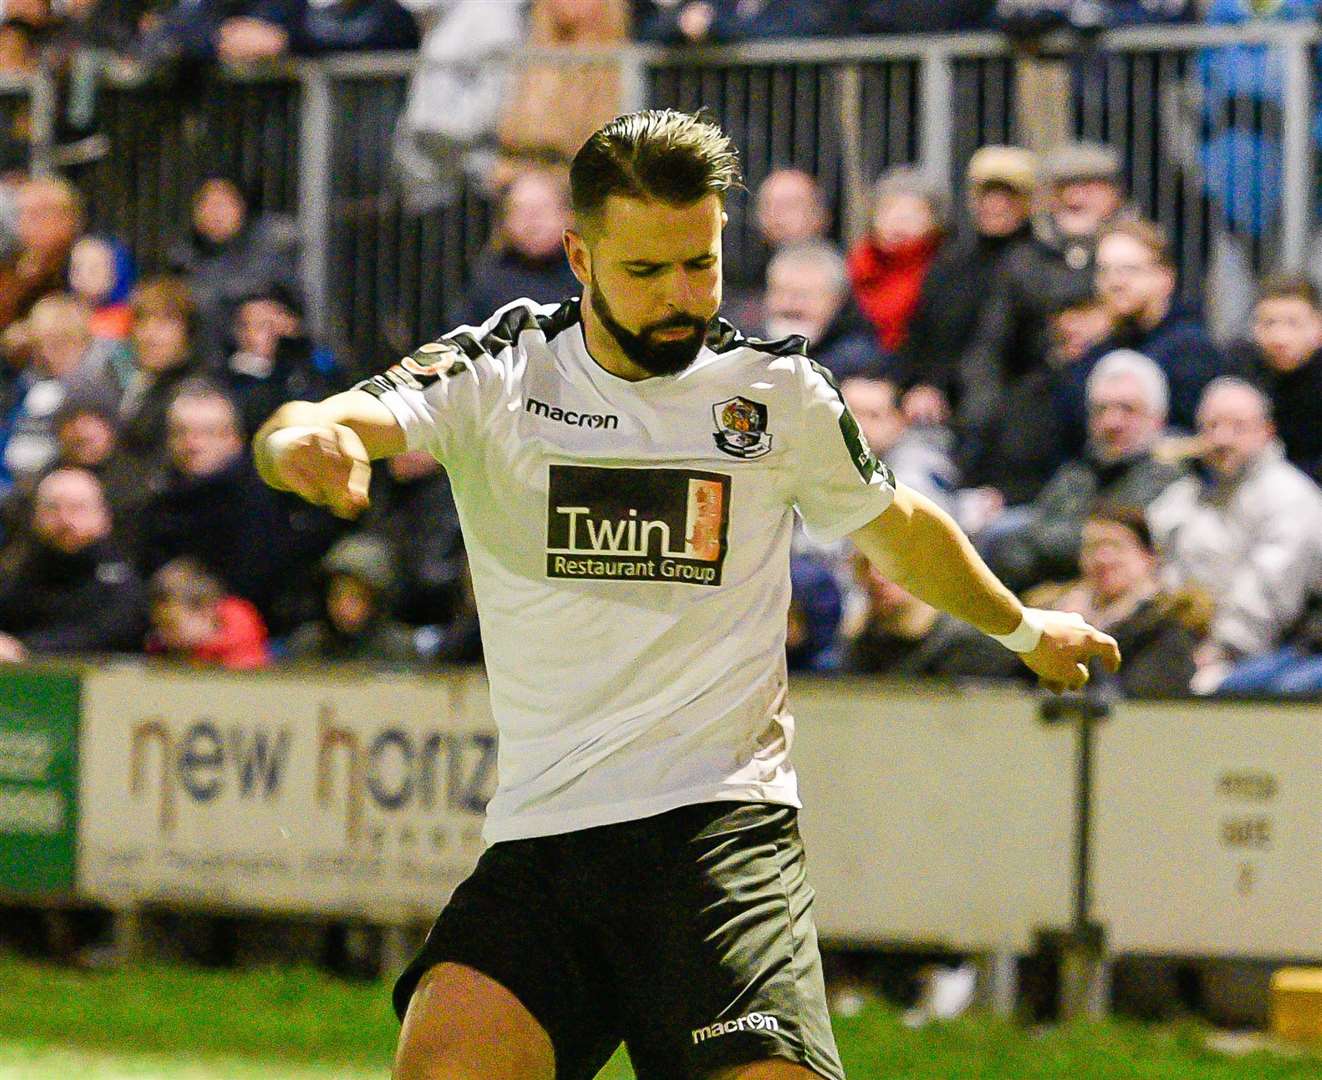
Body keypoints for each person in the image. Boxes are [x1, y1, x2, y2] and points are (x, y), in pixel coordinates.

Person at [253, 109, 1118, 1080]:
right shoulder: (501, 368)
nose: (679, 297)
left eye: (698, 265)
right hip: (547, 840)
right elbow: (328, 417)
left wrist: (1019, 626)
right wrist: (299, 442)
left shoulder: (776, 393)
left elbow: (896, 528)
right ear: (578, 256)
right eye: (644, 271)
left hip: (718, 839)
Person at [1148, 378, 1322, 692]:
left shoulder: (1290, 496)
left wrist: (1223, 648)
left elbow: (1267, 588)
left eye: (1237, 427)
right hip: (1187, 640)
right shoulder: (1182, 496)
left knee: (1206, 689)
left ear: (1266, 432)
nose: (1221, 438)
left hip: (1274, 647)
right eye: (1211, 426)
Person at [979, 349, 1183, 592]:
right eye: (1101, 410)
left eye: (1127, 409)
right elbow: (1035, 534)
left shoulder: (1169, 476)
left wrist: (1052, 541)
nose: (1112, 423)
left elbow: (1113, 543)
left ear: (1157, 418)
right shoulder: (1078, 473)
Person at [898, 145, 1038, 427]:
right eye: (987, 194)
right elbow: (919, 337)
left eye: (1008, 196)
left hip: (1015, 412)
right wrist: (923, 385)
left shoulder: (1042, 266)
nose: (996, 205)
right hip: (942, 410)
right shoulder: (950, 266)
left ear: (1029, 203)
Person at [1048, 503, 1201, 698]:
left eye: (1116, 545)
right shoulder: (1053, 612)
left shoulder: (1169, 624)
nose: (1103, 558)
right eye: (1092, 547)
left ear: (1148, 557)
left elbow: (1138, 697)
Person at [0, 467, 146, 661]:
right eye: (52, 509)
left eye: (77, 508)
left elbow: (110, 633)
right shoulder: (22, 573)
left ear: (103, 517)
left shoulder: (121, 579)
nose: (65, 520)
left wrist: (25, 648)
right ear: (35, 517)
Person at [451, 169, 580, 327]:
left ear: (568, 215)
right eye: (521, 211)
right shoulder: (488, 279)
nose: (532, 223)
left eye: (542, 210)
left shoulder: (587, 274)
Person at [1229, 274, 1322, 484]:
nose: (1279, 337)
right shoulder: (1242, 371)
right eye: (1269, 323)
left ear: (1318, 328)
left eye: (1293, 323)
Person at [846, 166, 946, 359]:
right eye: (889, 211)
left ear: (934, 222)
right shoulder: (855, 266)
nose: (898, 222)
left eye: (912, 215)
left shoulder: (945, 270)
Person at [284, 532, 419, 665]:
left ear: (378, 601)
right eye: (336, 596)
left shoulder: (398, 648)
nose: (343, 607)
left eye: (356, 597)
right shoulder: (309, 643)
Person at [761, 242, 882, 383]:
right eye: (781, 292)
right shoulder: (741, 346)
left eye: (804, 296)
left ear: (836, 301)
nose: (791, 306)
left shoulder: (860, 361)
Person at [145, 556, 271, 669]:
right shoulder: (174, 647)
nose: (162, 635)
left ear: (204, 613)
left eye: (170, 625)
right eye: (159, 626)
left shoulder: (240, 635)